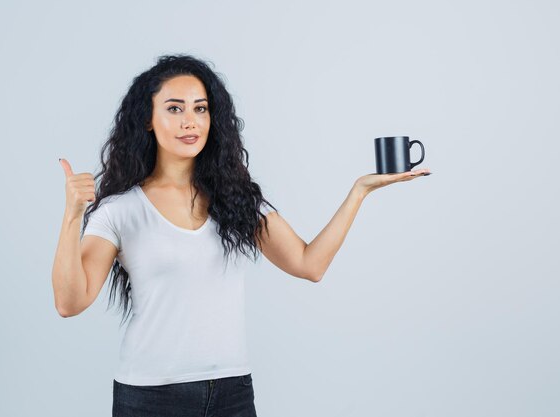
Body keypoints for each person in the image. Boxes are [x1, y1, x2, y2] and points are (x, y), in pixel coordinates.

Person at [51, 54, 431, 417]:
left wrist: (359, 191)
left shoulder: (237, 199)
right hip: (152, 398)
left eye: (200, 108)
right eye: (174, 108)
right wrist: (72, 216)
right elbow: (71, 301)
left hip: (231, 393)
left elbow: (309, 264)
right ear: (147, 119)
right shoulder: (121, 210)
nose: (190, 121)